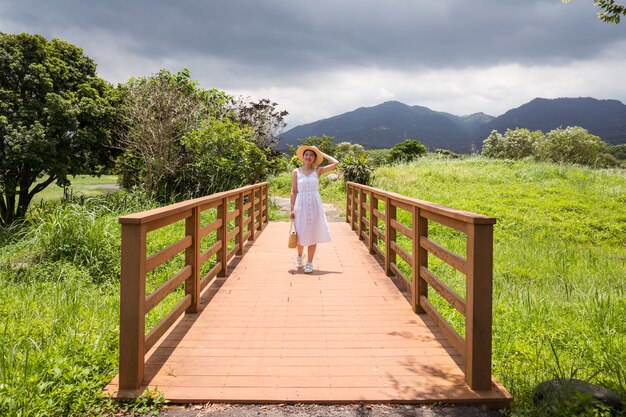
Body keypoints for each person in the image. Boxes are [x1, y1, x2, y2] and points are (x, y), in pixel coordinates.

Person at [290, 145, 339, 273]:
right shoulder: (296, 172)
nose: (308, 157)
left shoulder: (318, 171)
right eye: (306, 154)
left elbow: (336, 163)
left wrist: (320, 151)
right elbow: (294, 191)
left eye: (312, 155)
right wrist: (292, 209)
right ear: (303, 157)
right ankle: (300, 256)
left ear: (315, 158)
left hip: (315, 204)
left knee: (313, 232)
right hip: (300, 204)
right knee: (300, 232)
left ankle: (310, 262)